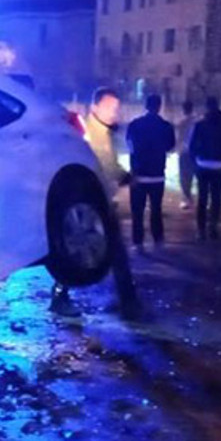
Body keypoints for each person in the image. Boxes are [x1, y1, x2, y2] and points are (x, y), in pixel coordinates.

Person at [51, 87, 142, 319]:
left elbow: (109, 164)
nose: (115, 113)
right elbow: (104, 165)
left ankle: (128, 300)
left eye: (117, 108)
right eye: (110, 107)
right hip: (89, 203)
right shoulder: (88, 132)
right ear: (95, 107)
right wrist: (126, 178)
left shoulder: (101, 130)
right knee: (83, 251)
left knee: (102, 250)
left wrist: (124, 177)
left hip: (98, 201)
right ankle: (127, 302)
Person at [126, 94, 176, 251]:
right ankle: (158, 239)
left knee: (137, 211)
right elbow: (170, 146)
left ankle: (138, 242)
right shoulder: (166, 126)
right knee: (156, 209)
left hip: (138, 174)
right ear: (159, 106)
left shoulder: (134, 125)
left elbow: (129, 145)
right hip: (157, 175)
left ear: (146, 106)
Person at [189, 97, 221, 240]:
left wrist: (195, 159)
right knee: (216, 197)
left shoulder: (200, 124)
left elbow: (192, 145)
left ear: (206, 107)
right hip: (219, 165)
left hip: (203, 164)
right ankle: (213, 227)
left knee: (202, 197)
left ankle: (201, 229)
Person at [176, 101, 196, 210]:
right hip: (194, 153)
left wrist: (176, 149)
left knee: (184, 176)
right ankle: (189, 198)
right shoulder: (196, 122)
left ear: (183, 110)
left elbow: (179, 138)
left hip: (184, 152)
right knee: (191, 175)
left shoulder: (181, 123)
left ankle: (186, 198)